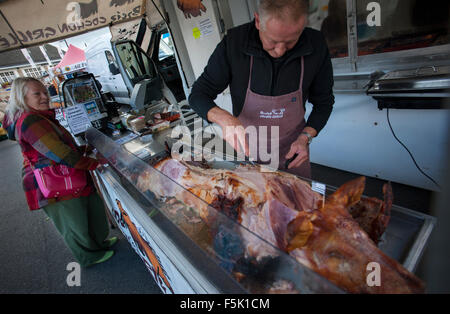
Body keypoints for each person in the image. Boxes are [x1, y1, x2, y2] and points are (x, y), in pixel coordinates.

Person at [189, 0, 334, 178]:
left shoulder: (316, 45)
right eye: (273, 41)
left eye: (290, 42)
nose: (280, 50)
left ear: (303, 25)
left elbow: (324, 103)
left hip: (294, 152)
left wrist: (305, 137)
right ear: (258, 21)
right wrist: (225, 118)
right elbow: (198, 94)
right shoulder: (234, 44)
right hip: (252, 154)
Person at [2, 77, 117, 267]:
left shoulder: (40, 116)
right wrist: (92, 163)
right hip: (55, 181)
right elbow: (60, 153)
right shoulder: (29, 120)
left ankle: (98, 244)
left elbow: (59, 147)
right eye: (36, 94)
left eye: (45, 92)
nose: (44, 97)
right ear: (22, 98)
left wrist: (82, 151)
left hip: (68, 174)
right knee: (74, 222)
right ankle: (88, 257)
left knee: (88, 210)